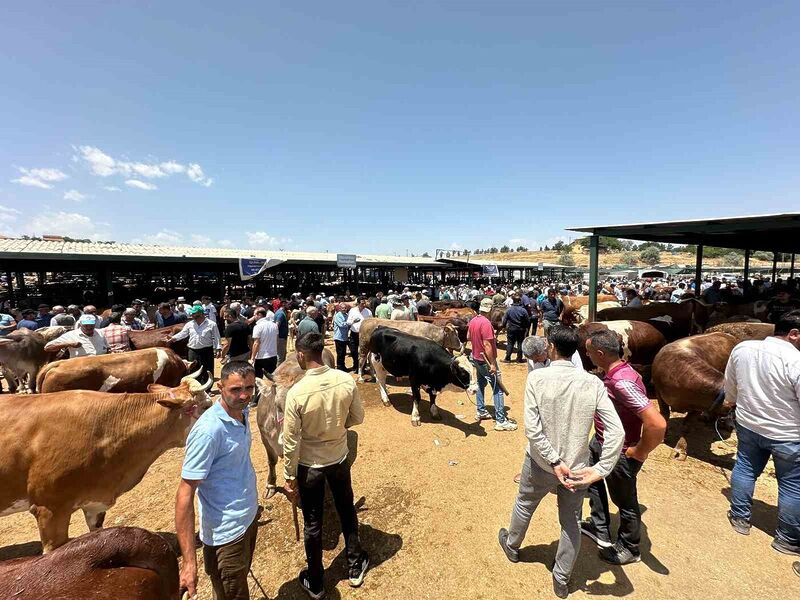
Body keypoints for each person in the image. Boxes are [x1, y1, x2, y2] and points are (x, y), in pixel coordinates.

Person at [497, 326, 624, 599]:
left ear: (551, 348)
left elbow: (532, 430)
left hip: (541, 464)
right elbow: (617, 432)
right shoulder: (593, 383)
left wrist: (554, 461)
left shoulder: (537, 379)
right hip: (578, 470)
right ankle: (562, 578)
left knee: (525, 503)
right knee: (571, 523)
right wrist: (600, 470)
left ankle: (512, 545)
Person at [283, 333, 369, 598]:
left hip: (310, 465)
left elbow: (290, 440)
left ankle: (316, 580)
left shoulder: (296, 393)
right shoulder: (345, 379)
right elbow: (358, 417)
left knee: (313, 521)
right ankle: (355, 566)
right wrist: (338, 427)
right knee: (346, 509)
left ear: (300, 355)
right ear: (322, 351)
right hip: (339, 457)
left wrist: (288, 475)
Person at [581, 329, 667, 564]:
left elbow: (657, 423)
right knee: (594, 485)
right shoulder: (618, 373)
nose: (587, 356)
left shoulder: (622, 382)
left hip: (618, 451)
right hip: (602, 441)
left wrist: (639, 451)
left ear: (600, 353)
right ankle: (598, 526)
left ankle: (630, 547)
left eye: (589, 352)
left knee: (625, 501)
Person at [176, 361, 259, 600]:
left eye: (249, 388)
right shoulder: (208, 431)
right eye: (235, 390)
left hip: (248, 516)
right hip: (226, 533)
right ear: (220, 387)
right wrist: (189, 563)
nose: (244, 395)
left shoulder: (241, 411)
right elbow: (184, 494)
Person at [724, 310, 800, 555]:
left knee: (745, 468)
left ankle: (739, 518)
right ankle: (787, 539)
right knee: (791, 485)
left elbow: (731, 383)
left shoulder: (743, 349)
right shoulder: (796, 361)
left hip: (748, 423)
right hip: (788, 433)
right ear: (794, 334)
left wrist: (732, 401)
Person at [468, 298, 516, 431]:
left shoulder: (473, 320)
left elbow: (468, 336)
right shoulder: (486, 323)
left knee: (481, 384)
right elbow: (488, 345)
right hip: (487, 361)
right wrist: (493, 364)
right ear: (490, 310)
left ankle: (481, 411)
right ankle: (500, 420)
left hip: (476, 357)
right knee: (498, 389)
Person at [168, 305, 221, 385]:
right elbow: (183, 333)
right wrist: (173, 338)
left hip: (206, 350)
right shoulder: (189, 324)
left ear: (201, 314)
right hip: (192, 350)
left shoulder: (212, 324)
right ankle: (196, 387)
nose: (193, 316)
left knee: (207, 369)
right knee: (193, 370)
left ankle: (208, 389)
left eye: (195, 314)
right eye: (192, 314)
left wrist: (218, 348)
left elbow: (217, 337)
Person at [44, 314, 109, 358]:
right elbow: (47, 347)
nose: (89, 327)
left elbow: (108, 349)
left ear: (95, 324)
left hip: (101, 366)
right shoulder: (71, 335)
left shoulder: (101, 333)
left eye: (91, 325)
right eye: (86, 325)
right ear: (80, 324)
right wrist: (69, 344)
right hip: (80, 368)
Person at [251, 307, 279, 378]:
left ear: (259, 315)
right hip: (273, 355)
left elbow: (256, 343)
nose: (254, 317)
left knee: (258, 379)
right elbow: (277, 340)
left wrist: (252, 358)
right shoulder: (274, 325)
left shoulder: (257, 326)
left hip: (261, 357)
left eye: (254, 315)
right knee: (271, 378)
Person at [502, 294, 530, 363]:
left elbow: (504, 320)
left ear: (513, 301)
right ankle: (519, 359)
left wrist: (504, 327)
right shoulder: (523, 310)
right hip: (521, 329)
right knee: (520, 344)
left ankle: (507, 358)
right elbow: (527, 320)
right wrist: (526, 327)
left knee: (510, 343)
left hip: (511, 329)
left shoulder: (509, 310)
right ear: (520, 301)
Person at [346, 298, 372, 368]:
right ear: (358, 303)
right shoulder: (352, 311)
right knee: (353, 350)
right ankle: (356, 364)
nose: (364, 305)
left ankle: (363, 366)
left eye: (364, 303)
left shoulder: (368, 312)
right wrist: (353, 321)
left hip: (365, 335)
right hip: (354, 333)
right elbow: (348, 321)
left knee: (364, 351)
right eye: (362, 303)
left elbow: (371, 322)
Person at [332, 303, 351, 372]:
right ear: (340, 309)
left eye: (345, 308)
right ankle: (340, 367)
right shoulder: (338, 316)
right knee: (340, 354)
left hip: (345, 337)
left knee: (343, 353)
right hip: (339, 337)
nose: (344, 309)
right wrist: (351, 323)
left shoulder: (346, 315)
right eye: (342, 308)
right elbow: (341, 325)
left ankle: (343, 366)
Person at [274, 299, 290, 365]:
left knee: (282, 355)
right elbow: (277, 325)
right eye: (287, 304)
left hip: (281, 337)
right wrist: (277, 337)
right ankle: (278, 373)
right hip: (280, 338)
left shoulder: (281, 312)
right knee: (280, 357)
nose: (288, 305)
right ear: (284, 304)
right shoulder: (280, 314)